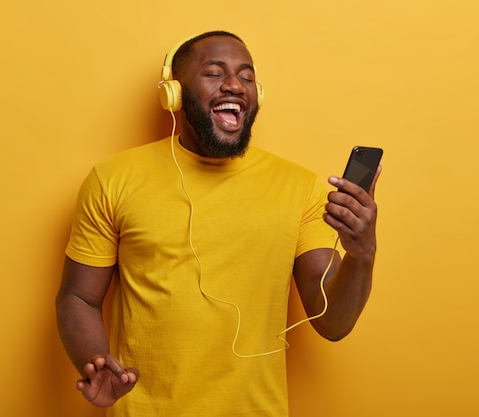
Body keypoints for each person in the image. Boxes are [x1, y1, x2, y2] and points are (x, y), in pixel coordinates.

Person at [56, 30, 381, 417]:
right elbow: (78, 297)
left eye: (246, 76)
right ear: (173, 93)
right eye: (214, 73)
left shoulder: (301, 189)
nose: (234, 85)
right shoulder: (113, 179)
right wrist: (95, 361)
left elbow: (333, 324)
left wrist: (362, 253)